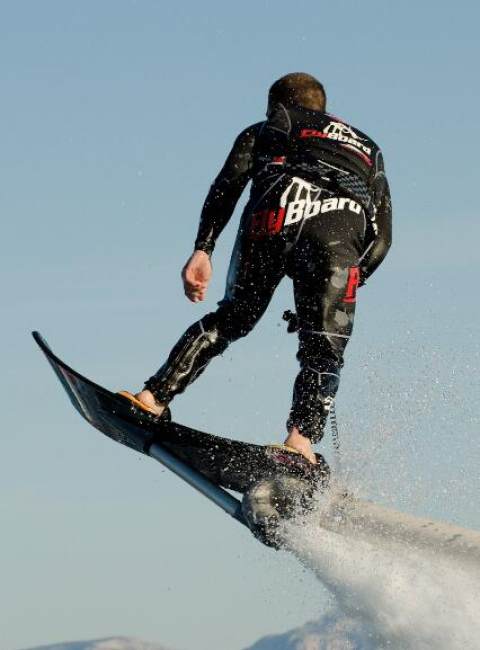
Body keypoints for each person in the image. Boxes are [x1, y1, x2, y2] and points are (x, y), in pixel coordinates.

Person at [119, 72, 392, 464]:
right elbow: (382, 240)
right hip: (339, 229)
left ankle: (152, 398)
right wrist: (343, 284)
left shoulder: (272, 124)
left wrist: (203, 249)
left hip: (274, 213)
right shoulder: (370, 149)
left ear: (276, 106)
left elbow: (227, 185)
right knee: (323, 348)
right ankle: (300, 443)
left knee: (232, 317)